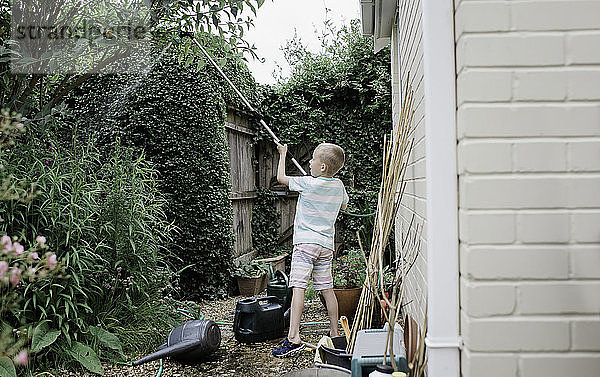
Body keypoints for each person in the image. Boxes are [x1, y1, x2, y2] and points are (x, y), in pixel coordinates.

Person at [272, 141, 349, 358]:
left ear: (322, 167)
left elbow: (281, 178)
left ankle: (293, 337)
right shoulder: (339, 186)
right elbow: (343, 205)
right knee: (327, 290)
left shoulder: (306, 183)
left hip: (305, 245)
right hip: (325, 246)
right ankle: (335, 334)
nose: (309, 162)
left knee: (298, 288)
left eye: (313, 159)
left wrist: (283, 154)